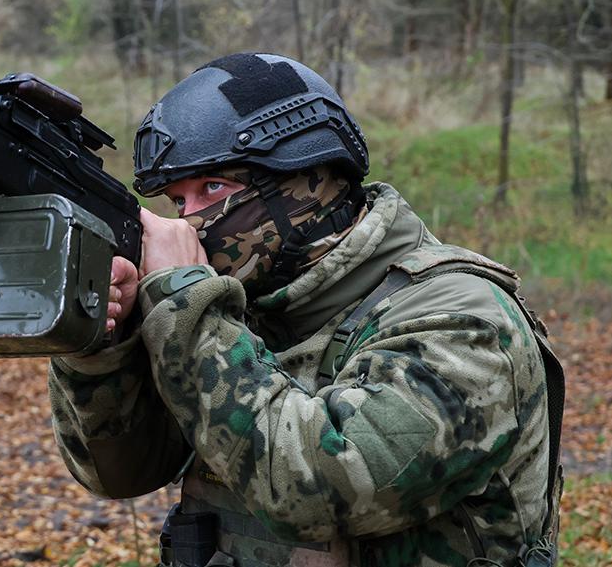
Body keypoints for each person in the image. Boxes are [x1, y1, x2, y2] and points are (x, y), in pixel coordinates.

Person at [48, 53, 564, 567]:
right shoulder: (242, 305)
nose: (188, 224)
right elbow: (119, 471)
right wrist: (108, 343)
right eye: (177, 201)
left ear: (309, 183)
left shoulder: (464, 321)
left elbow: (319, 492)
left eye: (212, 188)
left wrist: (185, 305)